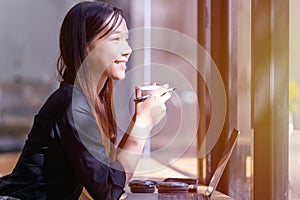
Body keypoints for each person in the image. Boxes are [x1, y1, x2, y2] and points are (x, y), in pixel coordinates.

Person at [0, 1, 171, 200]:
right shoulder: (73, 106)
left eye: (126, 39)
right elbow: (108, 191)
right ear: (85, 46)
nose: (128, 50)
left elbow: (110, 175)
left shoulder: (85, 100)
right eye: (116, 39)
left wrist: (138, 119)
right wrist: (143, 123)